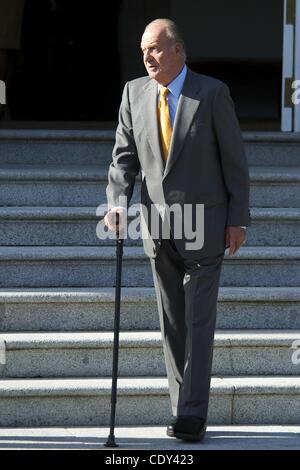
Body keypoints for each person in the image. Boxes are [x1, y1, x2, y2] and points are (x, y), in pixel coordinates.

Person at [104, 18, 250, 442]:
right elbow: (123, 156)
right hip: (157, 227)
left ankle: (191, 414)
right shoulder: (134, 93)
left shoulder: (212, 93)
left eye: (155, 49)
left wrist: (237, 218)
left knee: (198, 319)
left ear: (178, 51)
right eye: (143, 51)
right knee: (172, 322)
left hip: (205, 225)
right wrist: (117, 202)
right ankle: (179, 404)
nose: (148, 57)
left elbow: (234, 161)